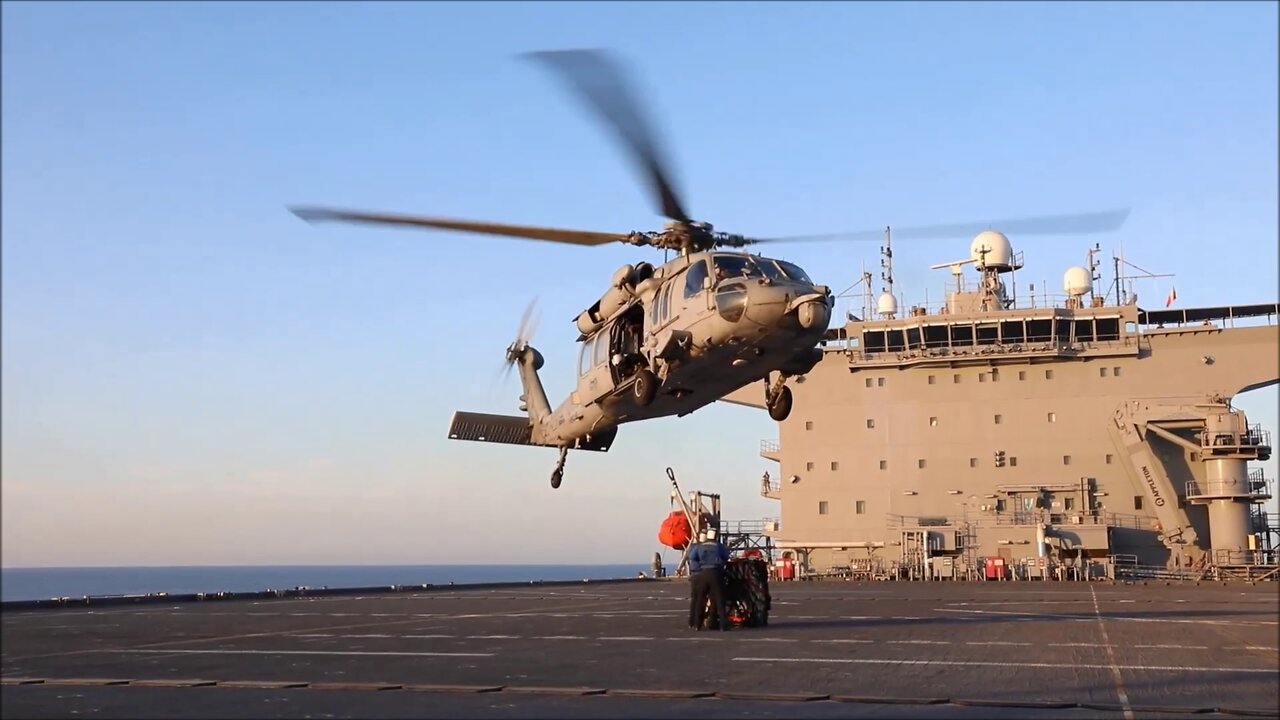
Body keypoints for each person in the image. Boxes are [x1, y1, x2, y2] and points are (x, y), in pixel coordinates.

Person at [687, 527, 730, 631]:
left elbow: (692, 557)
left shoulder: (699, 546)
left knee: (699, 600)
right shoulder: (718, 546)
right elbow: (726, 556)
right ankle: (723, 625)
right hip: (715, 573)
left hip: (702, 573)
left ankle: (697, 624)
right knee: (719, 599)